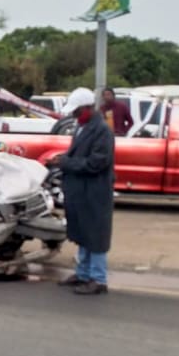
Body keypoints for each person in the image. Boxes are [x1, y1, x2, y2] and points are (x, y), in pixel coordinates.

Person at [57, 87, 115, 295]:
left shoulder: (102, 130)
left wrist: (67, 162)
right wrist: (63, 159)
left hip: (95, 191)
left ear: (88, 108)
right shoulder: (82, 126)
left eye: (77, 111)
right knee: (83, 232)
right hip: (80, 190)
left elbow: (96, 163)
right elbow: (79, 153)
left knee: (96, 236)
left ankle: (98, 279)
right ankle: (82, 274)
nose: (74, 115)